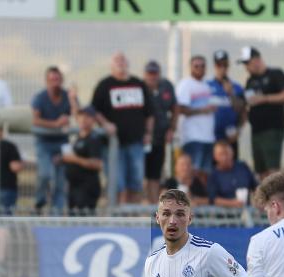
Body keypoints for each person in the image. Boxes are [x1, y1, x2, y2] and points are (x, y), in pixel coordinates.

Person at [91, 52, 155, 204]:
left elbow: (150, 113)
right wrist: (105, 123)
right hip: (113, 146)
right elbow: (93, 111)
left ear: (128, 64)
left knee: (136, 183)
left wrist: (148, 133)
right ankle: (116, 221)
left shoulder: (139, 84)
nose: (120, 63)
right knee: (117, 184)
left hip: (136, 144)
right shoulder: (104, 85)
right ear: (111, 66)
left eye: (123, 60)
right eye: (117, 61)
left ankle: (131, 221)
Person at [239, 46, 284, 179]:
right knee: (261, 171)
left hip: (272, 129)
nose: (246, 67)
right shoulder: (250, 80)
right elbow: (246, 103)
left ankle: (275, 199)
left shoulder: (275, 74)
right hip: (256, 130)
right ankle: (264, 199)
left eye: (248, 63)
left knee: (272, 170)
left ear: (257, 60)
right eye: (244, 64)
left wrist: (264, 98)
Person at [31, 66, 74, 215]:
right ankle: (39, 201)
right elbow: (35, 120)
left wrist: (73, 101)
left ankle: (57, 214)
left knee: (61, 181)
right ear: (46, 81)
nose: (55, 82)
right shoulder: (40, 98)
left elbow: (77, 115)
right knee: (45, 174)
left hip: (62, 143)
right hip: (44, 143)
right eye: (52, 79)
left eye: (57, 79)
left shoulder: (67, 96)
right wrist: (55, 124)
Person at [175, 56, 216, 177]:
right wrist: (202, 110)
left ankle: (201, 196)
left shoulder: (207, 85)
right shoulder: (185, 84)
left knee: (206, 174)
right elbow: (181, 109)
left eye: (202, 66)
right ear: (190, 67)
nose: (199, 68)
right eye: (196, 66)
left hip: (208, 137)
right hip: (192, 137)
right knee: (193, 171)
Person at [143, 60, 178, 203]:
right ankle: (142, 207)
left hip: (160, 139)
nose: (152, 77)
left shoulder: (166, 86)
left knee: (156, 175)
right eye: (149, 74)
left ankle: (152, 206)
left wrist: (172, 129)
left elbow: (175, 108)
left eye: (155, 73)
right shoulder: (140, 87)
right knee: (142, 174)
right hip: (144, 140)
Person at [63, 106, 103, 215]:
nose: (83, 119)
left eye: (87, 116)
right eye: (80, 116)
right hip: (74, 186)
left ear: (93, 120)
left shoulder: (93, 139)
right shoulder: (77, 138)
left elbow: (97, 164)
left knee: (84, 219)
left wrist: (75, 159)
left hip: (86, 187)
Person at [208, 50, 246, 159]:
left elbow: (242, 110)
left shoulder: (236, 87)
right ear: (215, 66)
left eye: (225, 65)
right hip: (212, 137)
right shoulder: (207, 86)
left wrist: (231, 93)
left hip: (230, 137)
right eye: (219, 65)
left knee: (231, 165)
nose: (222, 68)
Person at [207, 141, 257, 208]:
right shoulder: (213, 175)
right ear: (215, 156)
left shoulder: (242, 167)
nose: (224, 157)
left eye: (227, 153)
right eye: (220, 154)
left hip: (246, 213)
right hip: (225, 216)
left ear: (232, 152)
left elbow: (256, 187)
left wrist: (260, 201)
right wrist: (232, 203)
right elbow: (213, 199)